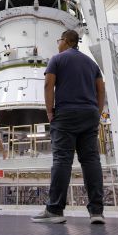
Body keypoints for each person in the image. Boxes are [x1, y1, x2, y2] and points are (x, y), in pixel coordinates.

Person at [31, 30, 105, 224]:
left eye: (59, 40)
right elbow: (101, 88)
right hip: (89, 113)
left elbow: (48, 85)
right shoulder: (91, 63)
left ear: (66, 41)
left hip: (66, 114)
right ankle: (97, 211)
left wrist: (49, 112)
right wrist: (97, 111)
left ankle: (55, 210)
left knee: (62, 159)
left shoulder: (57, 59)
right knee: (91, 160)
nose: (58, 44)